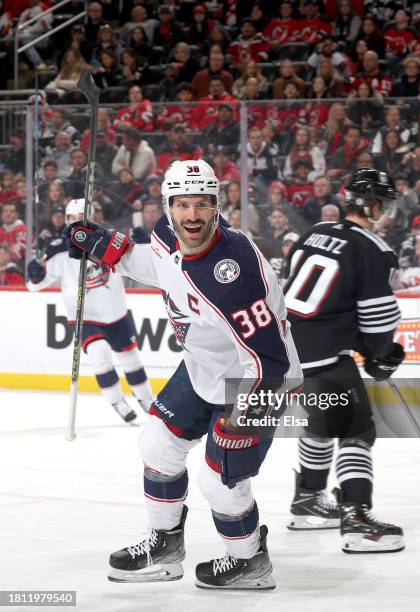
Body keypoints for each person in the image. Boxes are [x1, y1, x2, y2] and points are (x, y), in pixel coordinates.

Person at [64, 159, 302, 588]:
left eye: (202, 205)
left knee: (220, 481)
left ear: (218, 207)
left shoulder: (235, 276)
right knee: (156, 445)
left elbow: (272, 365)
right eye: (183, 204)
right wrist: (107, 247)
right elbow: (156, 265)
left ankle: (250, 562)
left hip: (258, 382)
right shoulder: (165, 234)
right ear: (167, 207)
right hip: (203, 366)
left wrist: (242, 418)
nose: (192, 215)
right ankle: (165, 547)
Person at [284, 168, 405, 553]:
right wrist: (382, 355)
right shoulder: (372, 248)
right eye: (381, 203)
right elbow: (378, 318)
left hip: (286, 354)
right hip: (325, 356)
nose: (383, 210)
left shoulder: (313, 232)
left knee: (322, 423)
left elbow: (308, 297)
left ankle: (308, 502)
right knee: (356, 430)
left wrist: (362, 346)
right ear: (371, 205)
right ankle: (357, 520)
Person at [26, 198, 154, 424]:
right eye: (71, 219)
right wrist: (35, 274)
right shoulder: (58, 249)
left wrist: (145, 246)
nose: (75, 223)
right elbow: (35, 285)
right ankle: (118, 402)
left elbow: (138, 260)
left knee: (130, 359)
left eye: (79, 218)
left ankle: (147, 401)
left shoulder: (109, 239)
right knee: (99, 355)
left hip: (115, 312)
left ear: (91, 217)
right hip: (83, 316)